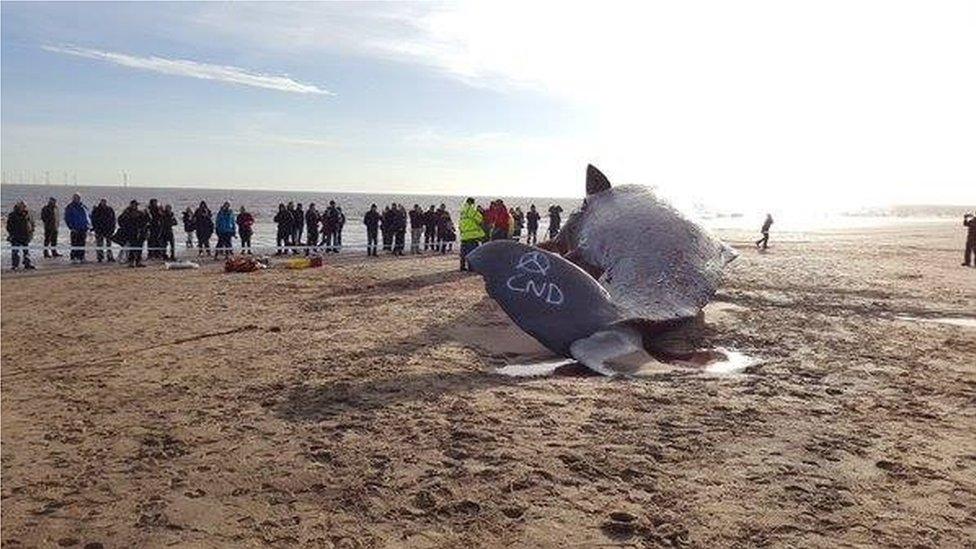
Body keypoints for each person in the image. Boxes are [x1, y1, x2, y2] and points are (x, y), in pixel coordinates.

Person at [117, 200, 149, 267]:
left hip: (139, 232)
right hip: (131, 232)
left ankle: (138, 261)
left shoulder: (140, 213)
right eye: (135, 205)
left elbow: (147, 220)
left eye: (136, 205)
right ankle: (131, 262)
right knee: (132, 248)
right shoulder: (127, 212)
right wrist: (126, 228)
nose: (136, 206)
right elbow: (120, 220)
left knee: (139, 247)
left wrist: (147, 213)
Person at [7, 201, 36, 270]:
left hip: (26, 236)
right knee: (15, 252)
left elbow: (32, 223)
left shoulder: (29, 214)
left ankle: (27, 264)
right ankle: (15, 265)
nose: (24, 207)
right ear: (19, 206)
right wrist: (12, 234)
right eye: (23, 206)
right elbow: (9, 226)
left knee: (26, 251)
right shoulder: (12, 215)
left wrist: (31, 232)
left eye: (25, 206)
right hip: (16, 236)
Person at [459, 197, 486, 271]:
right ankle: (471, 267)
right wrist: (481, 212)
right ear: (472, 203)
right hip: (472, 235)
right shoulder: (470, 210)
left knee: (463, 252)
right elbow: (480, 219)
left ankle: (462, 266)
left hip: (464, 235)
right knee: (472, 252)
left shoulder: (462, 210)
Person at [64, 193, 90, 263]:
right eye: (75, 198)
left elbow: (88, 216)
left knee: (82, 243)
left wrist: (88, 225)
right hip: (75, 228)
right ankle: (74, 258)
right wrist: (71, 227)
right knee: (75, 244)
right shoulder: (70, 207)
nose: (77, 199)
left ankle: (81, 257)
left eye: (78, 198)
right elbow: (67, 218)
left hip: (83, 228)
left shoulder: (83, 206)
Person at [91, 198, 117, 263]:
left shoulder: (110, 209)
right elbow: (93, 220)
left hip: (108, 230)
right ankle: (100, 257)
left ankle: (109, 257)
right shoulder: (96, 210)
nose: (104, 203)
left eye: (105, 202)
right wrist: (95, 228)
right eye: (102, 202)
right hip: (99, 230)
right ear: (101, 202)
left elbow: (113, 219)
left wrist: (113, 228)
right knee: (99, 244)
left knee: (109, 244)